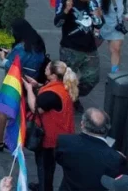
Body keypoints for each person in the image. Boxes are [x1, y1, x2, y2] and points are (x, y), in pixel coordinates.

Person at [24, 60, 79, 191]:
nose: (45, 68)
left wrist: (29, 90)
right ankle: (43, 185)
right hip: (61, 134)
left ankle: (44, 187)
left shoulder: (51, 95)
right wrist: (37, 85)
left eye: (48, 68)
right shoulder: (62, 87)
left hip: (49, 138)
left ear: (53, 76)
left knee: (44, 166)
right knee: (49, 166)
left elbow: (35, 108)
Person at [55, 0, 103, 106]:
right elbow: (57, 23)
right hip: (71, 49)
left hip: (90, 49)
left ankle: (74, 94)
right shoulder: (68, 1)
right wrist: (66, 11)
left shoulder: (92, 3)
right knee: (68, 78)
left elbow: (99, 24)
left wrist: (98, 16)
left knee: (92, 78)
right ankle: (67, 99)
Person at [55, 108, 128, 191]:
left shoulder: (64, 142)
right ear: (107, 128)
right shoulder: (115, 158)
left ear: (82, 124)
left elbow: (59, 158)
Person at [95, 0, 128, 74]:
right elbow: (94, 8)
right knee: (91, 48)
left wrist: (126, 16)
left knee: (116, 49)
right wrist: (96, 22)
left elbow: (124, 12)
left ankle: (115, 72)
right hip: (102, 27)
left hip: (116, 28)